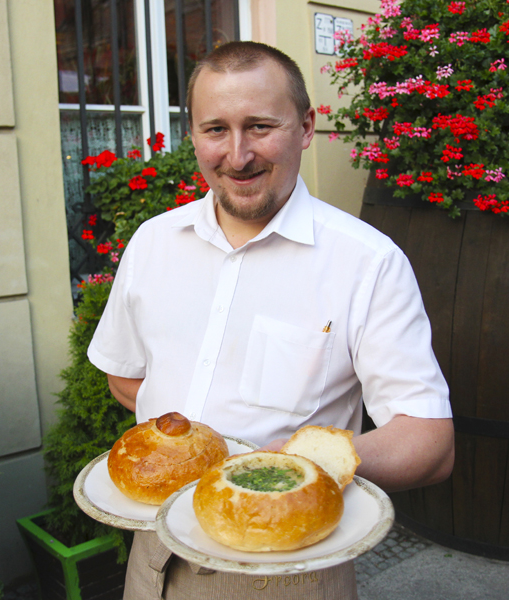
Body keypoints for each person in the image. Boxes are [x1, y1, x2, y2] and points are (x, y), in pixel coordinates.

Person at [87, 41, 454, 600]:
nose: (237, 156)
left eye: (260, 127)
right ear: (194, 136)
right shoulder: (153, 243)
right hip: (153, 558)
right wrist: (186, 448)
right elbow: (125, 375)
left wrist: (291, 467)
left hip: (291, 571)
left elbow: (429, 442)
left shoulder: (367, 262)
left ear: (306, 127)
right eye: (215, 130)